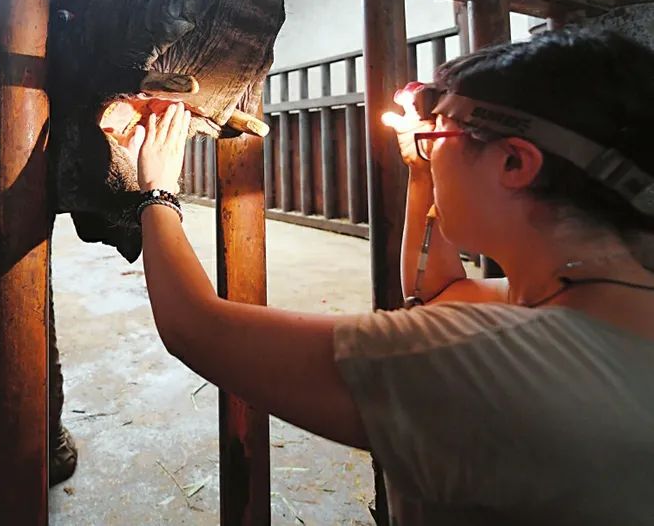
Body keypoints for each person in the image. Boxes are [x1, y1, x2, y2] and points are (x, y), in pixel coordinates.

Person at [125, 28, 654, 525]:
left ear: (514, 163)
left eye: (437, 131)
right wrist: (424, 173)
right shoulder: (604, 297)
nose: (424, 142)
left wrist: (158, 188)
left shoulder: (483, 361)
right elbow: (440, 293)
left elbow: (198, 330)